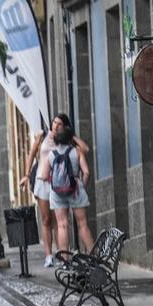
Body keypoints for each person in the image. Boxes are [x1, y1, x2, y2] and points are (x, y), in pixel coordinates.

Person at [20, 114, 91, 268]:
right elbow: (32, 153)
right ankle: (51, 255)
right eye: (54, 123)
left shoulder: (66, 142)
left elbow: (85, 149)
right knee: (49, 220)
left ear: (65, 127)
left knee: (61, 224)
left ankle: (64, 258)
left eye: (59, 123)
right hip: (62, 187)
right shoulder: (43, 136)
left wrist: (72, 135)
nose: (56, 126)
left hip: (56, 187)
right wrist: (26, 175)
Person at [47, 122, 95, 254]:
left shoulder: (51, 155)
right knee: (82, 224)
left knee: (62, 225)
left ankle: (65, 260)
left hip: (57, 192)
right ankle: (93, 256)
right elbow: (86, 172)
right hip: (75, 190)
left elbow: (45, 175)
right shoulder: (76, 152)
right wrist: (81, 186)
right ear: (70, 138)